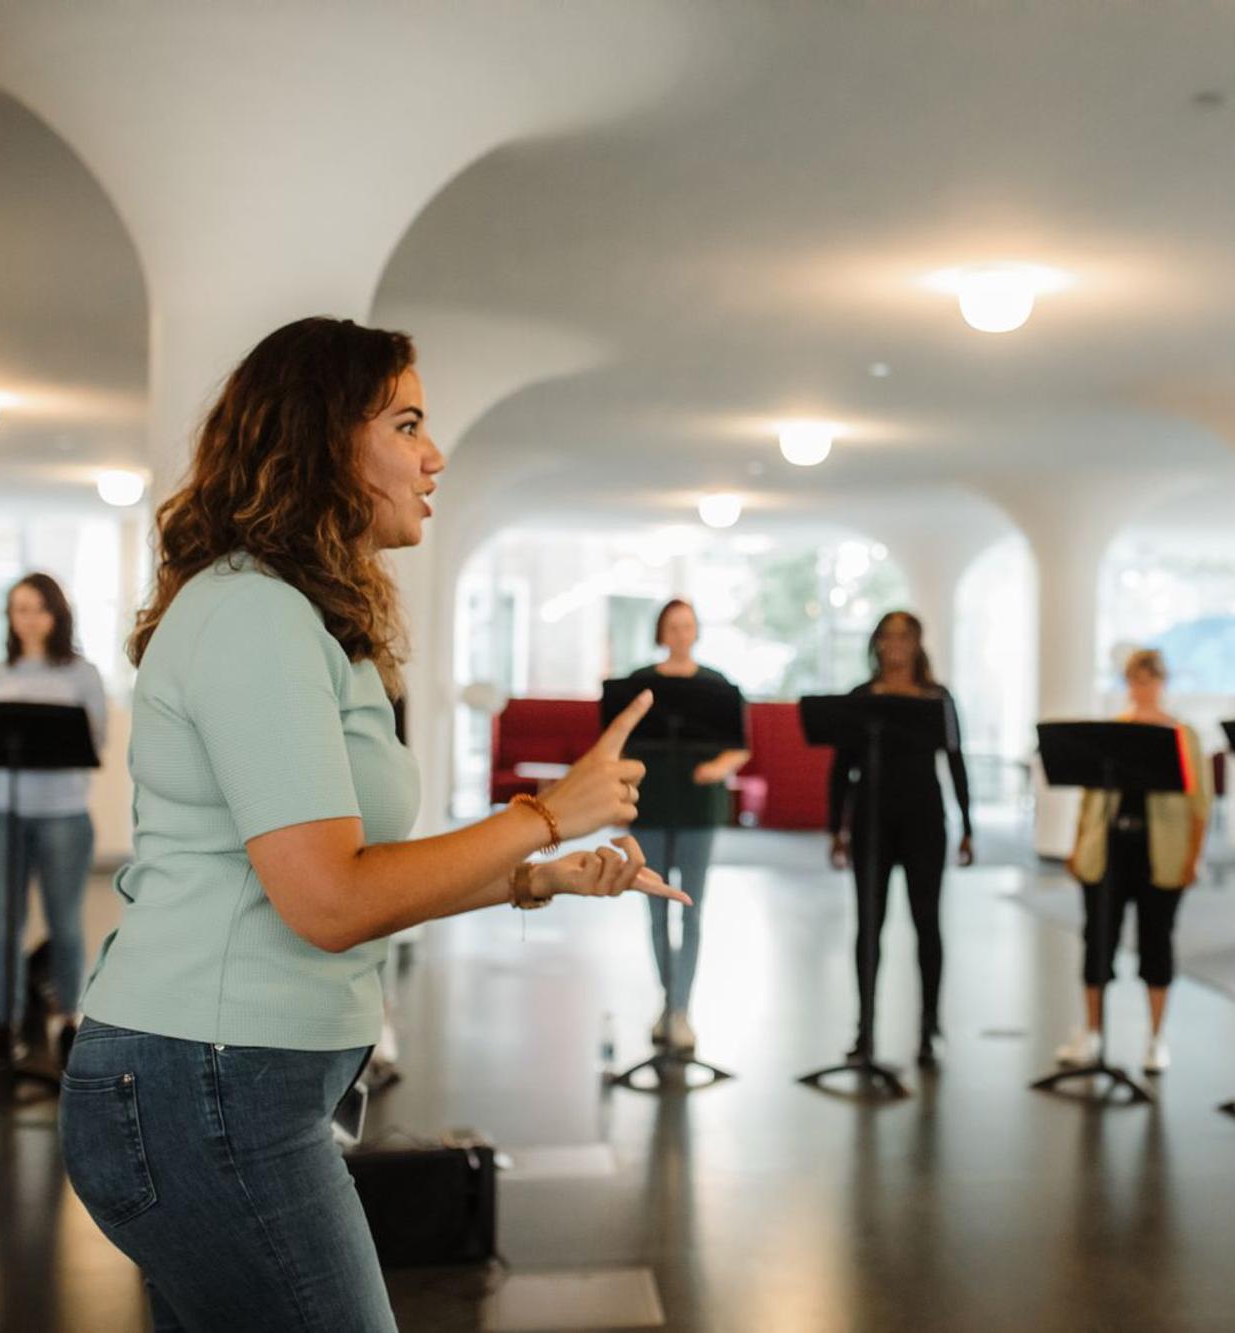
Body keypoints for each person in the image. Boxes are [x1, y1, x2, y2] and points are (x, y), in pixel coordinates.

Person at [58, 317, 687, 1332]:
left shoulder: (305, 621)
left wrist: (537, 873)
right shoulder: (253, 614)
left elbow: (359, 869)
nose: (433, 456)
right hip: (204, 1083)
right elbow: (330, 900)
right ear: (320, 440)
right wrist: (541, 815)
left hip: (224, 1083)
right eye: (405, 423)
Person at [1055, 649, 1212, 1076]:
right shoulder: (1113, 731)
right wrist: (1077, 846)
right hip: (1108, 850)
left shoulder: (1183, 735)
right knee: (1097, 940)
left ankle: (1156, 1038)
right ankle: (1092, 1032)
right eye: (1134, 680)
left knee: (1156, 942)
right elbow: (1090, 798)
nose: (1142, 688)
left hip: (1161, 853)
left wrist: (1194, 857)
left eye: (1149, 679)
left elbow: (1200, 804)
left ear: (1162, 682)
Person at [827, 610, 974, 1067]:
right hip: (871, 820)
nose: (895, 644)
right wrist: (836, 828)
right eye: (887, 636)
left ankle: (929, 1026)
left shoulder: (937, 698)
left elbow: (956, 761)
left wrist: (968, 826)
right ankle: (865, 1028)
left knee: (926, 923)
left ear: (917, 642)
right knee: (868, 925)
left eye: (904, 636)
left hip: (924, 821)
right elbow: (841, 769)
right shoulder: (861, 698)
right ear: (876, 642)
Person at [0, 572, 107, 1063]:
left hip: (62, 816)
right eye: (18, 609)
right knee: (4, 925)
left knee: (65, 922)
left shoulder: (81, 674)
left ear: (56, 614)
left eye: (37, 608)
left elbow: (95, 743)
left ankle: (69, 1018)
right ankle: (6, 1024)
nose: (27, 618)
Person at [627, 598, 751, 1052]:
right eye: (673, 626)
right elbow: (621, 742)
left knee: (691, 908)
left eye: (687, 626)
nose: (680, 634)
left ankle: (682, 1008)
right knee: (656, 907)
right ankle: (667, 1001)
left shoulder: (717, 685)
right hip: (651, 803)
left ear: (696, 631)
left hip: (699, 806)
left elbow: (740, 746)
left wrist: (717, 768)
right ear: (661, 632)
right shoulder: (640, 683)